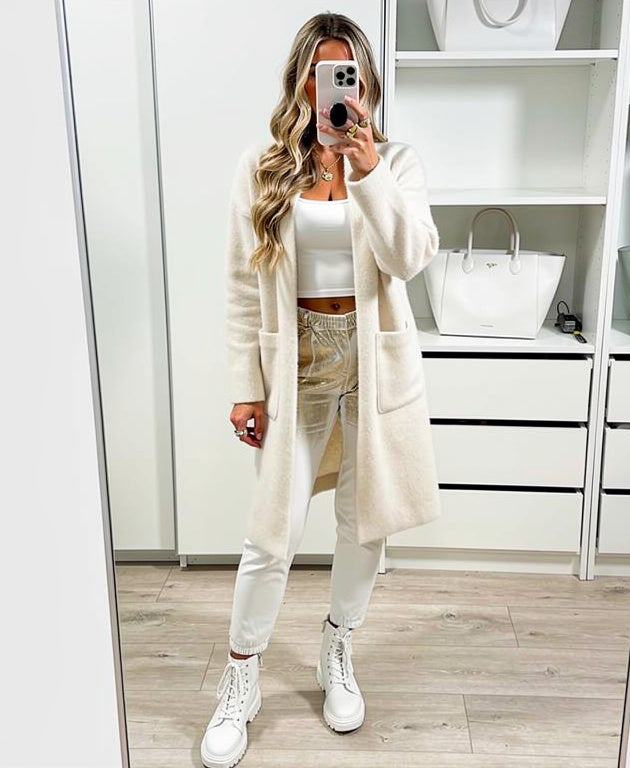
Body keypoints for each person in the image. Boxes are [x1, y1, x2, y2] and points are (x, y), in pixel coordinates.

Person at [202, 12, 441, 768]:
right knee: (270, 534)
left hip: (372, 365)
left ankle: (337, 647)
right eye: (323, 73)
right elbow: (242, 287)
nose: (337, 89)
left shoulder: (395, 163)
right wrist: (245, 386)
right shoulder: (263, 167)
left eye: (349, 75)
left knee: (364, 525)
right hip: (295, 365)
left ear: (365, 85)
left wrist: (367, 172)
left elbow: (410, 258)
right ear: (303, 82)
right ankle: (240, 676)